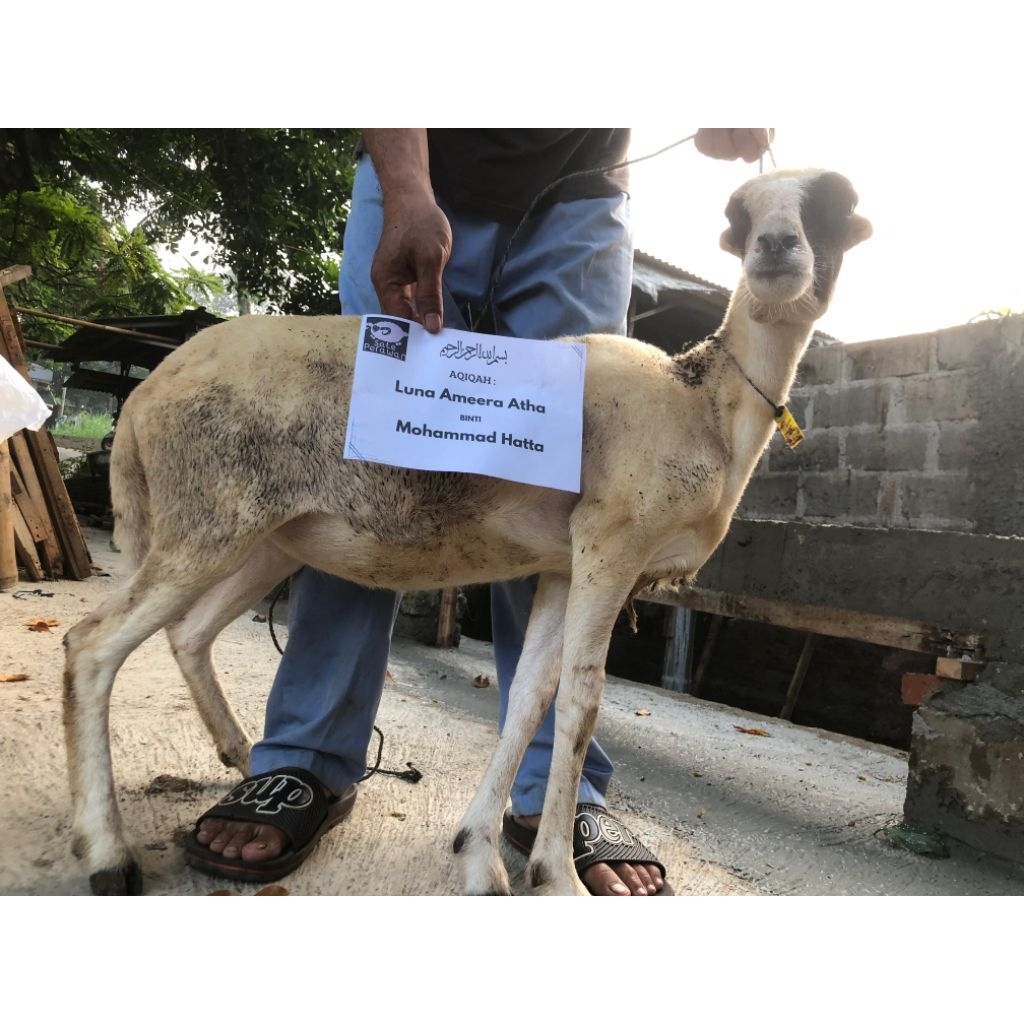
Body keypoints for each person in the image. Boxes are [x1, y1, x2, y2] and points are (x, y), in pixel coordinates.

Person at [185, 128, 773, 895]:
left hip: (578, 194)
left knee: (570, 481)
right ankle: (307, 757)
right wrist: (405, 189)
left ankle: (555, 795)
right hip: (418, 166)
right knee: (372, 458)